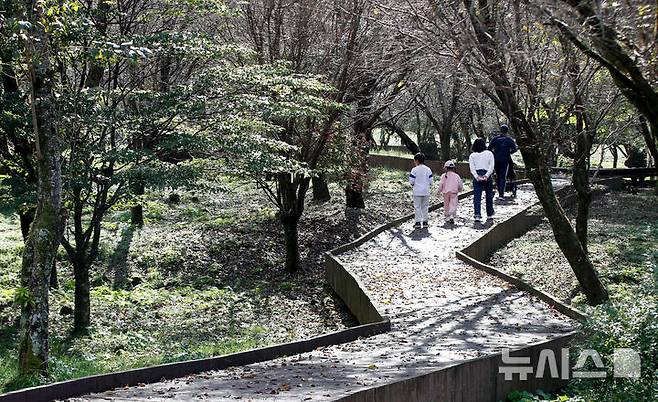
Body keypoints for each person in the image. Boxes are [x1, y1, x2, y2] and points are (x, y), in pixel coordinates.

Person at [488, 124, 518, 198]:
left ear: (500, 130)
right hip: (505, 160)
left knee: (498, 176)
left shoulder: (495, 139)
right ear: (507, 131)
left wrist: (494, 153)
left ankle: (499, 190)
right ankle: (501, 194)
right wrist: (509, 152)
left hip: (496, 160)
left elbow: (489, 148)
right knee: (503, 176)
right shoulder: (509, 139)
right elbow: (515, 149)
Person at [469, 138, 495, 221]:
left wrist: (477, 176)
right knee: (489, 195)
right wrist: (487, 175)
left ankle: (477, 214)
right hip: (487, 174)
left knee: (477, 196)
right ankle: (489, 214)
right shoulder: (489, 153)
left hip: (477, 174)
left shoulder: (472, 155)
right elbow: (492, 166)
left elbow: (472, 168)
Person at [409, 152, 433, 229]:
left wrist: (413, 185)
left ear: (417, 160)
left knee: (417, 207)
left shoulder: (414, 170)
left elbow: (411, 181)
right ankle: (425, 222)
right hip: (426, 191)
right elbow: (431, 181)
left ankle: (418, 222)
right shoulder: (428, 169)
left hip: (417, 192)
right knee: (425, 207)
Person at [438, 160, 463, 225]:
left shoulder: (443, 176)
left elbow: (441, 184)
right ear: (453, 168)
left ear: (445, 168)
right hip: (454, 192)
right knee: (453, 204)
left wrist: (439, 191)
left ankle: (447, 216)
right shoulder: (456, 176)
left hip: (445, 192)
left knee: (446, 204)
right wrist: (460, 189)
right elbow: (460, 184)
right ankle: (451, 215)